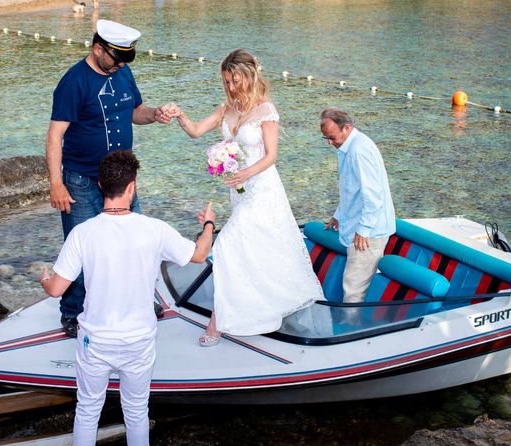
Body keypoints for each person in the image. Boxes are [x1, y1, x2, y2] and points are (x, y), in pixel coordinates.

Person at [40, 149, 216, 446]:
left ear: (98, 186)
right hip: (139, 339)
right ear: (132, 187)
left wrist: (44, 278)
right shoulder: (155, 229)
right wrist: (208, 224)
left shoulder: (83, 233)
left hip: (95, 340)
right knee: (135, 411)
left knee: (88, 410)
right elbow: (198, 254)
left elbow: (56, 290)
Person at [168, 48, 324, 346]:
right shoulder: (227, 108)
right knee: (254, 248)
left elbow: (272, 156)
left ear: (249, 77)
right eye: (226, 81)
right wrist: (181, 115)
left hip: (262, 188)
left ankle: (218, 322)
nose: (230, 87)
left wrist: (245, 173)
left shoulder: (266, 110)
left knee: (226, 244)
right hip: (239, 190)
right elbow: (197, 131)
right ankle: (256, 304)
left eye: (234, 80)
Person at [46, 19, 173, 337]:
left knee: (138, 243)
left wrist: (155, 115)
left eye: (125, 59)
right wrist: (56, 183)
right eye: (115, 57)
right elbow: (54, 135)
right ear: (97, 48)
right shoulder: (73, 82)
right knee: (82, 249)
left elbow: (134, 111)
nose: (119, 64)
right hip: (81, 180)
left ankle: (142, 300)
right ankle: (73, 312)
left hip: (122, 180)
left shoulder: (123, 71)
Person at [320, 107, 395, 303]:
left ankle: (351, 328)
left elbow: (373, 196)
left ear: (346, 127)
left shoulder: (359, 151)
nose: (330, 143)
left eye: (332, 137)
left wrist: (363, 229)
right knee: (353, 285)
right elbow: (351, 189)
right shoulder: (347, 146)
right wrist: (338, 215)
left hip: (368, 233)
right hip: (359, 227)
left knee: (354, 289)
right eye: (326, 138)